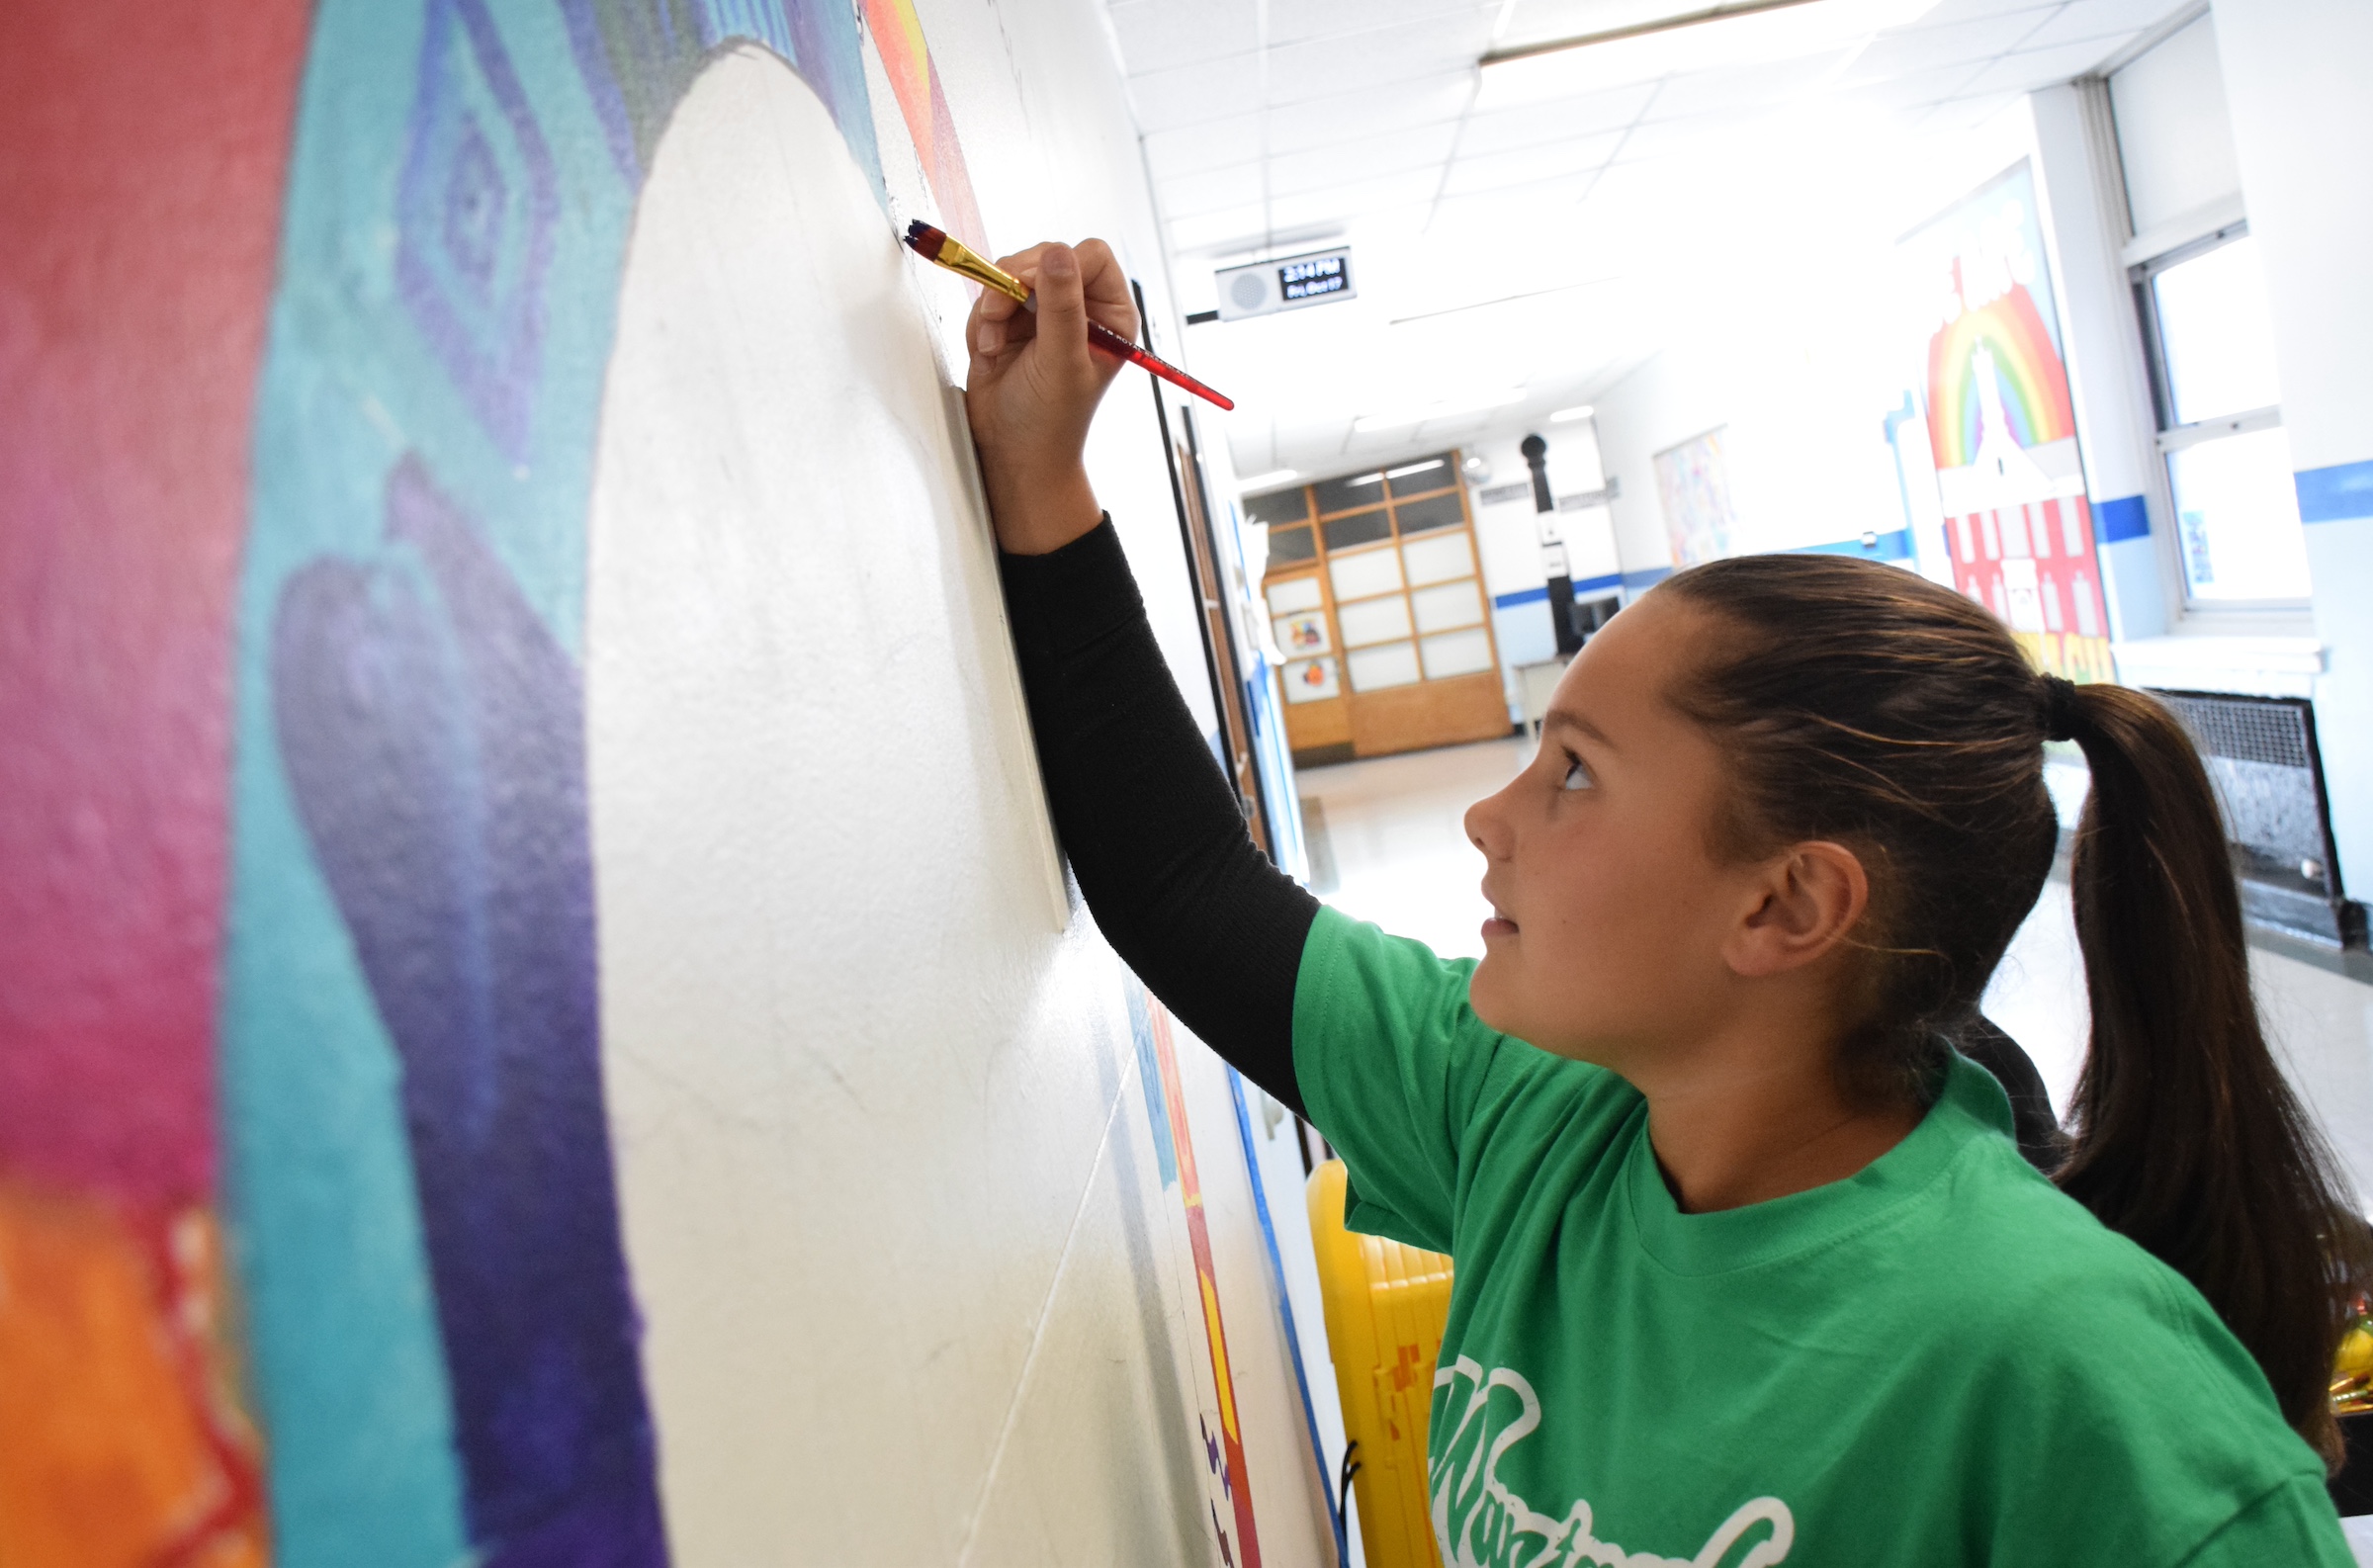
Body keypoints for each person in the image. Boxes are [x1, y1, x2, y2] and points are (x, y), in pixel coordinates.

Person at [966, 237, 2371, 1565]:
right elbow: (1187, 889)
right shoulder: (1537, 1113)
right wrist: (1041, 472)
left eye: (1574, 774)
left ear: (1786, 904)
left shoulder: (2084, 1386)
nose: (1488, 816)